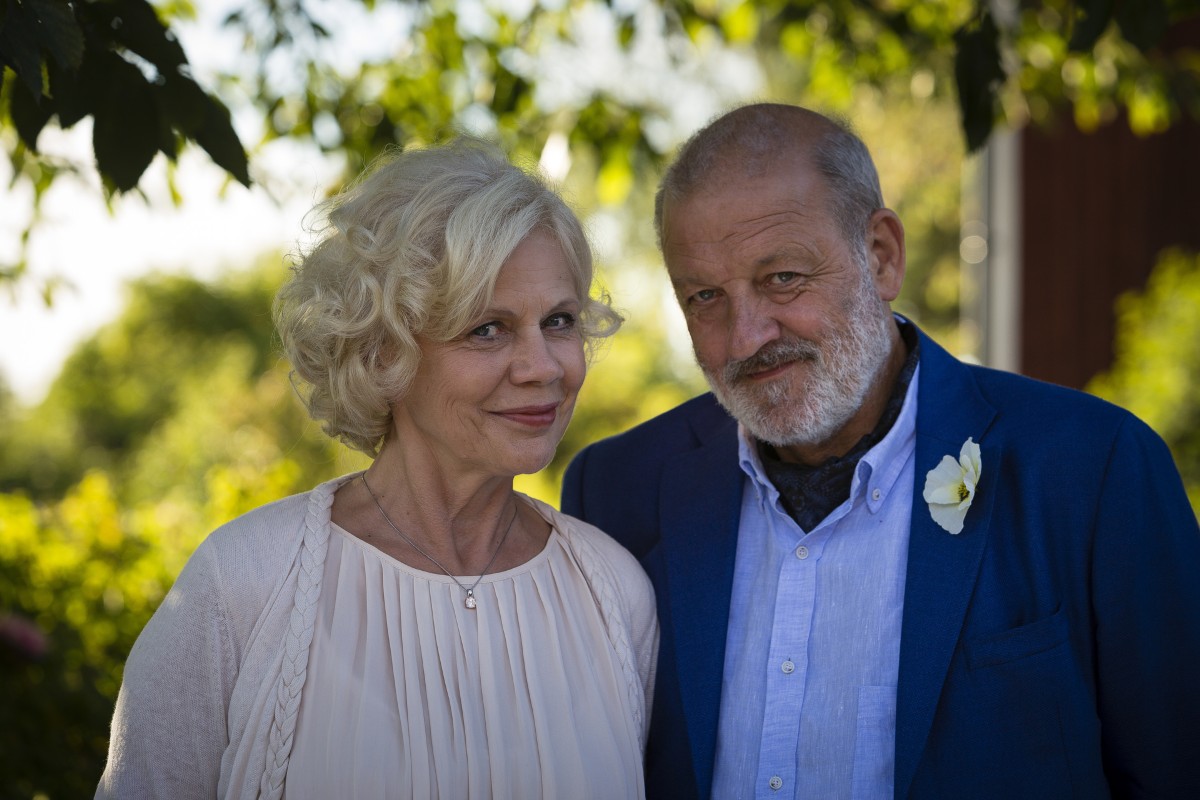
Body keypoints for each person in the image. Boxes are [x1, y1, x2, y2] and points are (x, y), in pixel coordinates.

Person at [561, 103, 1200, 799]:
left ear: (882, 255)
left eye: (783, 278)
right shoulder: (618, 490)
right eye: (705, 296)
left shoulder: (1093, 471)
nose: (745, 337)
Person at [97, 139, 658, 799]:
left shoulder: (613, 593)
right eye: (488, 329)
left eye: (559, 321)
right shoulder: (245, 583)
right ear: (384, 348)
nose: (544, 367)